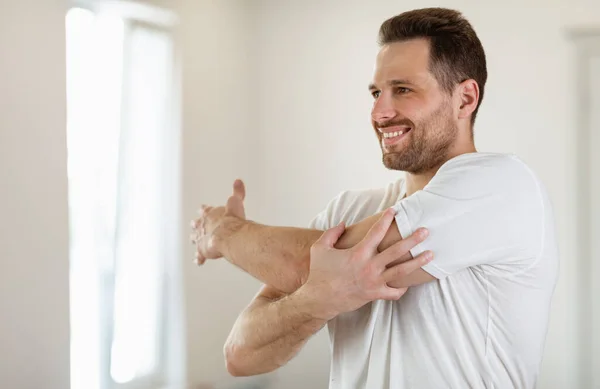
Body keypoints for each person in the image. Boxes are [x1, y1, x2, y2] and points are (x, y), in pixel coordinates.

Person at [191, 7, 559, 389]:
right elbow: (241, 354)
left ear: (465, 99)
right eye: (375, 92)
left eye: (403, 90)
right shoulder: (348, 211)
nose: (379, 112)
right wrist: (320, 299)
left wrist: (224, 231)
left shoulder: (502, 186)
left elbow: (310, 262)